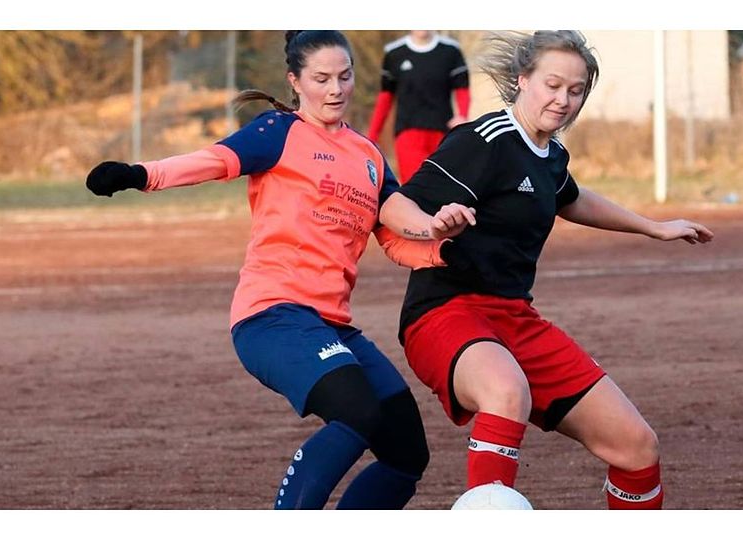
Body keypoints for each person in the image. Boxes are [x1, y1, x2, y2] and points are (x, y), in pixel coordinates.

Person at [84, 30, 468, 509]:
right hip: (272, 316)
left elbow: (396, 228)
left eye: (345, 77)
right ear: (295, 81)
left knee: (405, 450)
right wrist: (140, 174)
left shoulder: (368, 155)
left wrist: (439, 238)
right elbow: (214, 161)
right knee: (357, 413)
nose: (336, 89)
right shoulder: (280, 132)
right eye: (322, 78)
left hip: (333, 327)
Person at [379, 30, 714, 509]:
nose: (563, 100)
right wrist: (433, 226)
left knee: (637, 447)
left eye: (575, 91)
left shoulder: (551, 155)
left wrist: (652, 227)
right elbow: (395, 205)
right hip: (444, 313)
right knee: (506, 390)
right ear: (522, 80)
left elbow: (570, 198)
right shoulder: (485, 140)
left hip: (515, 320)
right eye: (552, 85)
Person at [366, 30, 471, 183]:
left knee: (442, 187)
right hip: (408, 134)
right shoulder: (394, 53)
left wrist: (462, 115)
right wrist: (372, 137)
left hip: (443, 134)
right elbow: (385, 98)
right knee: (414, 188)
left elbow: (462, 89)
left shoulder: (451, 51)